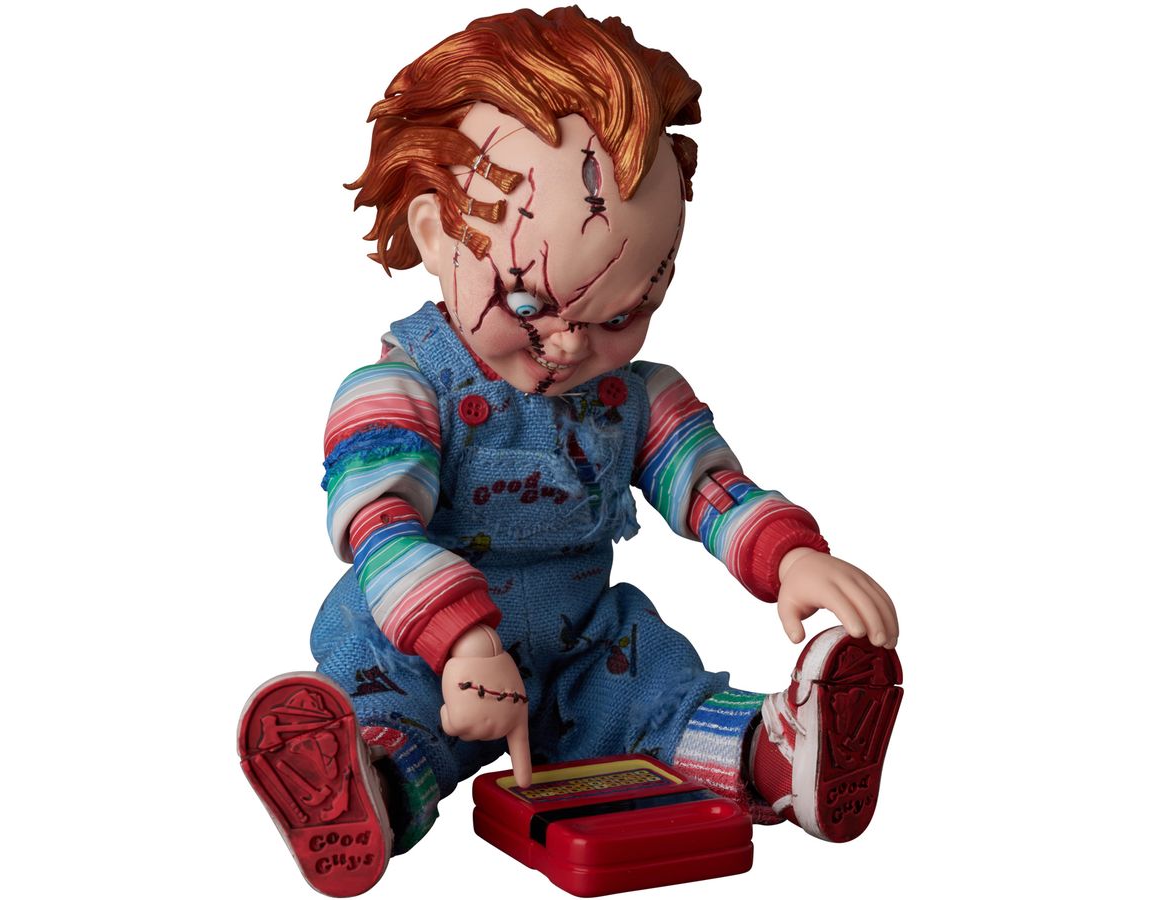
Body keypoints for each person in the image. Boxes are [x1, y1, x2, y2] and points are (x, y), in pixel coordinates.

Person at [238, 8, 903, 896]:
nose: (568, 346)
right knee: (398, 712)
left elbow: (709, 487)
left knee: (652, 689)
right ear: (435, 233)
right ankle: (362, 781)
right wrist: (462, 640)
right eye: (529, 305)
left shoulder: (638, 396)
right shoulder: (397, 390)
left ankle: (775, 754)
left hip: (580, 642)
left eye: (621, 315)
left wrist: (791, 559)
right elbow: (379, 527)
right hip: (419, 644)